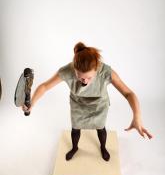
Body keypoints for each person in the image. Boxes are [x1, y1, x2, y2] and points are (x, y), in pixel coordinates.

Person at [22, 42, 153, 161]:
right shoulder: (66, 71)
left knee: (100, 128)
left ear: (97, 69)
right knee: (75, 128)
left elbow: (128, 93)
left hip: (99, 105)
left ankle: (103, 147)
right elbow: (45, 86)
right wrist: (32, 103)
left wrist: (137, 117)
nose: (84, 81)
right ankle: (75, 148)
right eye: (80, 77)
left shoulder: (106, 72)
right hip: (77, 104)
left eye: (89, 78)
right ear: (74, 69)